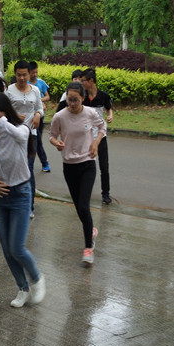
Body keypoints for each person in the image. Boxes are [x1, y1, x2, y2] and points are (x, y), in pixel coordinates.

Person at [0, 92, 45, 309]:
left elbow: (21, 136)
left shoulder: (21, 129)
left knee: (17, 247)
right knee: (6, 249)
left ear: (6, 113)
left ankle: (37, 279)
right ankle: (22, 288)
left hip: (20, 194)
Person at [49, 82, 107, 265]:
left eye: (75, 99)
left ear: (83, 98)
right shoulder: (60, 116)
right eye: (69, 99)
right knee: (78, 207)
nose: (72, 103)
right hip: (69, 165)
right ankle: (90, 230)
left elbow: (102, 127)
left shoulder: (90, 113)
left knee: (84, 206)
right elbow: (51, 135)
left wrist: (96, 143)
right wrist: (56, 143)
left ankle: (88, 248)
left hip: (88, 163)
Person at [5, 60, 43, 216]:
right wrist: (13, 116)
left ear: (29, 74)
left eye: (24, 74)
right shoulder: (9, 91)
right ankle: (12, 202)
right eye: (19, 75)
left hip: (30, 136)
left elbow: (39, 107)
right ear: (15, 74)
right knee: (13, 169)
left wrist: (38, 115)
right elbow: (2, 111)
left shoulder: (35, 90)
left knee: (28, 170)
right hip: (13, 135)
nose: (22, 78)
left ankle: (29, 206)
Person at [81, 68, 114, 204]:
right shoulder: (82, 96)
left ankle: (105, 194)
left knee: (104, 167)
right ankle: (83, 193)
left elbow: (109, 108)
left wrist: (110, 115)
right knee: (85, 167)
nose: (82, 83)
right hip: (86, 137)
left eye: (84, 81)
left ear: (91, 81)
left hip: (101, 136)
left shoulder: (103, 96)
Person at [28, 61, 51, 173]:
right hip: (28, 117)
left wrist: (39, 101)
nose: (35, 74)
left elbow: (47, 96)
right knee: (31, 141)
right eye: (33, 72)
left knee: (38, 141)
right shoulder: (25, 83)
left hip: (39, 117)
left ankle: (44, 163)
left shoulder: (41, 83)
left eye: (36, 72)